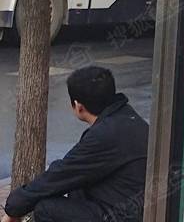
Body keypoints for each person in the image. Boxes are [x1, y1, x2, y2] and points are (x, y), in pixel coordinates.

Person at [2, 67, 149, 222]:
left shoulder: (104, 135)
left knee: (46, 209)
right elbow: (71, 169)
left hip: (123, 215)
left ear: (78, 106)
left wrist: (13, 208)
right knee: (76, 184)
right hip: (129, 205)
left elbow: (60, 175)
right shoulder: (126, 116)